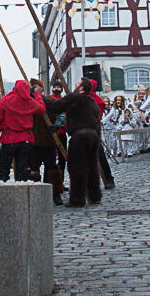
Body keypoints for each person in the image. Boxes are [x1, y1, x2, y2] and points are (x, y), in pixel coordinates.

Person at [43, 79, 102, 208]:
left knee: (77, 167)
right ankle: (94, 196)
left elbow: (56, 107)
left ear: (81, 88)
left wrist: (41, 98)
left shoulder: (75, 97)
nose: (75, 85)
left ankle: (77, 200)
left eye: (78, 83)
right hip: (93, 135)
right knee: (92, 167)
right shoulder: (91, 101)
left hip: (80, 135)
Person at [0, 80, 46, 182]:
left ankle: (4, 186)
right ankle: (21, 189)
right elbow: (42, 109)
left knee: (4, 168)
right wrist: (36, 95)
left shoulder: (6, 100)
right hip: (24, 140)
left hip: (9, 139)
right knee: (21, 170)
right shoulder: (30, 102)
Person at [27, 79, 65, 205]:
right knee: (34, 169)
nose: (33, 89)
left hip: (49, 141)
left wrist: (57, 125)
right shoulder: (29, 102)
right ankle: (35, 194)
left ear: (42, 88)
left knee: (51, 168)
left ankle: (55, 194)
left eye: (36, 87)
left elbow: (61, 115)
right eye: (31, 87)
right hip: (35, 141)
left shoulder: (50, 101)